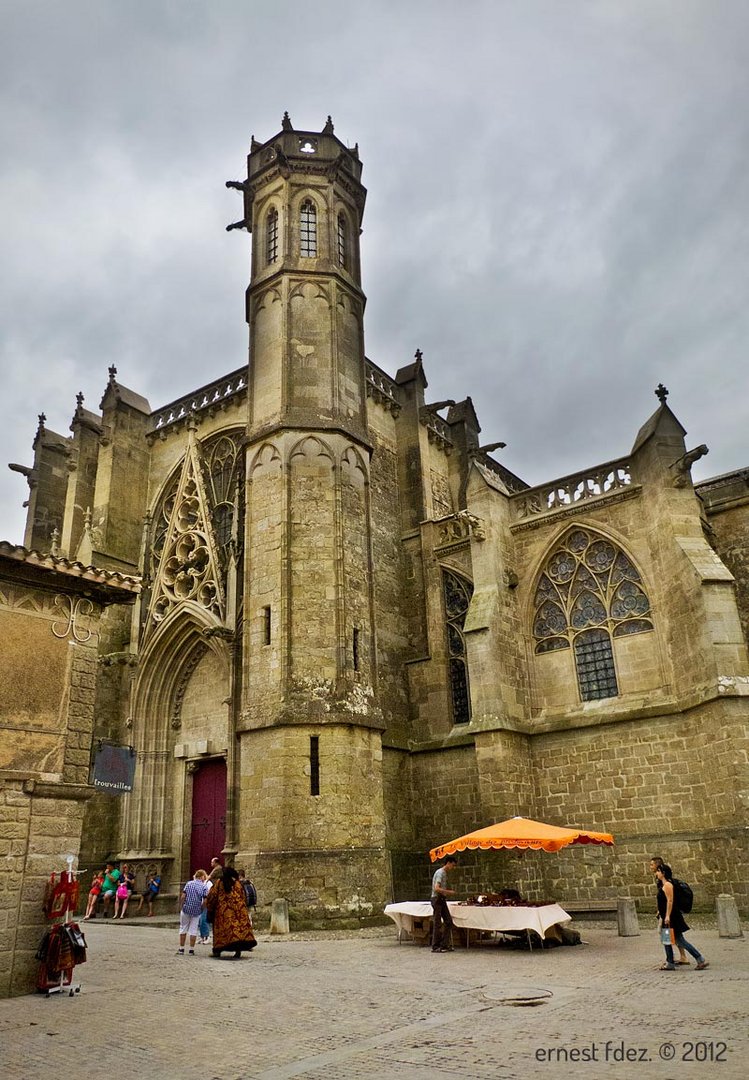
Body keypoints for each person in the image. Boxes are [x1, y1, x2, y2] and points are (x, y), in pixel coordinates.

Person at [655, 864, 709, 971]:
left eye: (658, 871)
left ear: (663, 873)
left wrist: (667, 916)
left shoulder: (668, 885)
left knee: (680, 941)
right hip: (667, 916)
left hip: (671, 917)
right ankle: (670, 962)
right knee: (666, 940)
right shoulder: (663, 885)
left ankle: (700, 958)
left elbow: (670, 901)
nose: (656, 873)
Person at [205, 866, 257, 959]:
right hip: (239, 910)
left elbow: (212, 895)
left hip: (223, 911)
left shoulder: (219, 883)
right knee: (238, 930)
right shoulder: (237, 883)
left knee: (221, 931)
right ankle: (238, 951)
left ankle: (217, 951)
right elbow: (243, 895)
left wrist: (210, 907)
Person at [649, 856, 688, 965]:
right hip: (666, 912)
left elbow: (669, 900)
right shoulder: (661, 879)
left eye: (652, 865)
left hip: (669, 914)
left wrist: (666, 915)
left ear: (658, 866)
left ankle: (693, 957)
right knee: (674, 936)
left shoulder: (665, 882)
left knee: (671, 936)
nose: (650, 867)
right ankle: (676, 958)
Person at [177, 869, 209, 956]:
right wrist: (202, 908)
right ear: (202, 877)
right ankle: (191, 950)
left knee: (183, 928)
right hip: (196, 910)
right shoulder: (204, 887)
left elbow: (183, 896)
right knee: (193, 930)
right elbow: (205, 901)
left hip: (186, 908)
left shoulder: (189, 883)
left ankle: (181, 949)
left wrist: (182, 906)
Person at [431, 855, 458, 953]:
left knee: (448, 921)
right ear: (449, 863)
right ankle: (435, 946)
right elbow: (436, 888)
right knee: (437, 923)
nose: (453, 868)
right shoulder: (440, 873)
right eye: (453, 865)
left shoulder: (444, 873)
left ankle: (444, 944)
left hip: (441, 899)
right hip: (437, 899)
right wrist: (448, 892)